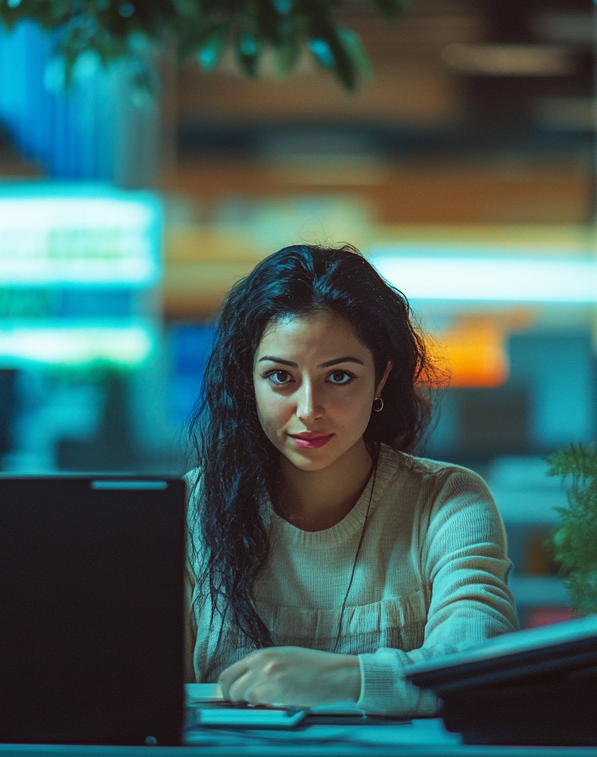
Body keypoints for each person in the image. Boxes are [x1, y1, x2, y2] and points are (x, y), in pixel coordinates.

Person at [185, 244, 518, 717]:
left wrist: (343, 678)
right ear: (248, 381)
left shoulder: (446, 503)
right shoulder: (196, 506)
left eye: (338, 377)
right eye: (280, 377)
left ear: (381, 379)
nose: (308, 410)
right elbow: (141, 688)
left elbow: (480, 668)